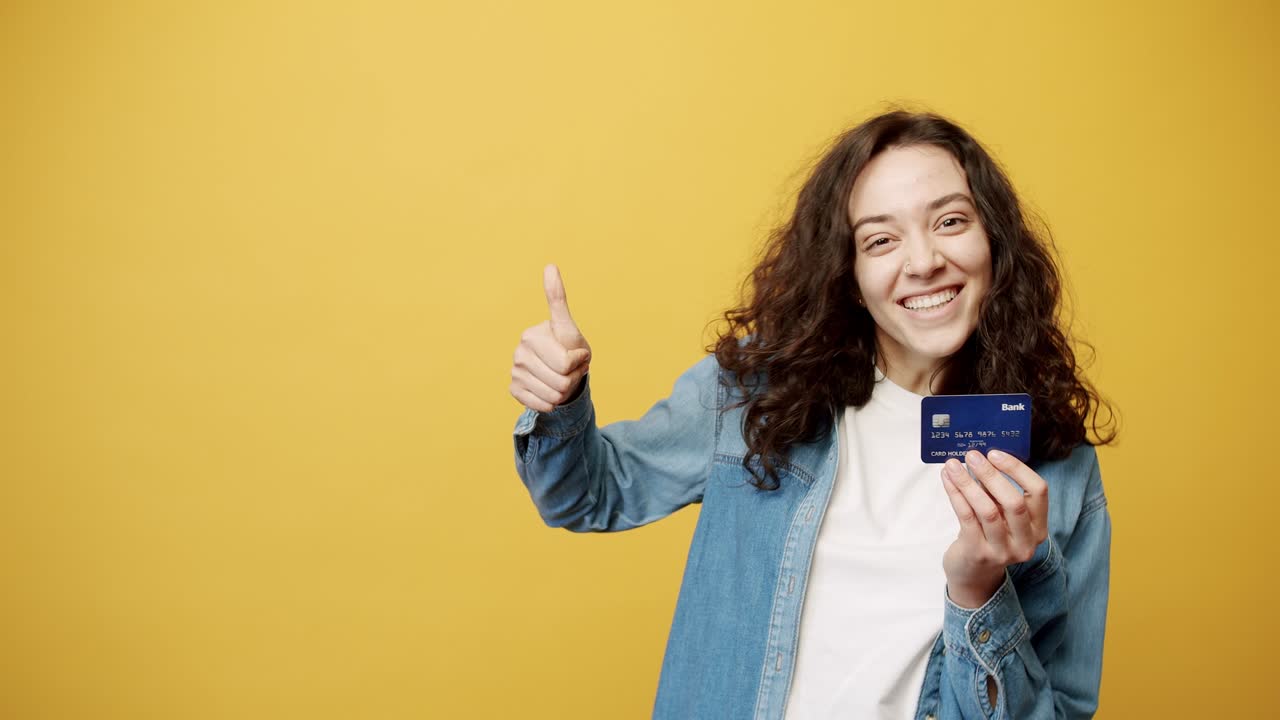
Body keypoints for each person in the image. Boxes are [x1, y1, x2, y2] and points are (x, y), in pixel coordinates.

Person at [508, 109, 1115, 719]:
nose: (924, 261)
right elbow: (586, 495)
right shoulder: (755, 393)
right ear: (850, 275)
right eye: (881, 240)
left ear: (995, 244)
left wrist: (977, 593)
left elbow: (1060, 710)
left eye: (950, 221)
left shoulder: (1059, 467)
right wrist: (560, 401)